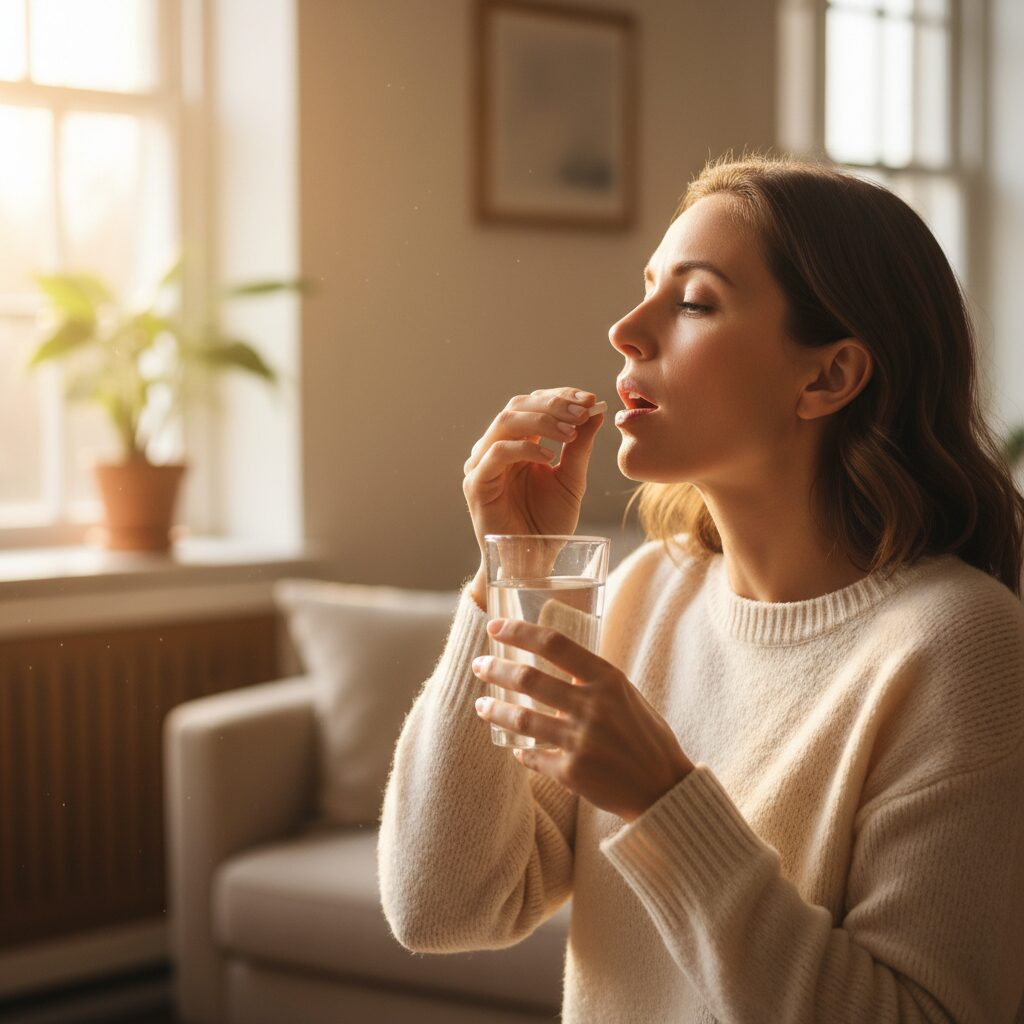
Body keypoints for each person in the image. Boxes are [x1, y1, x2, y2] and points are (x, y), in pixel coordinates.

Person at [377, 152, 1024, 1023]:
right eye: (648, 287)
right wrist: (513, 564)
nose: (627, 329)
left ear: (828, 376)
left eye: (693, 301)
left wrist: (664, 801)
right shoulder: (650, 593)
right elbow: (443, 908)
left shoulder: (960, 646)